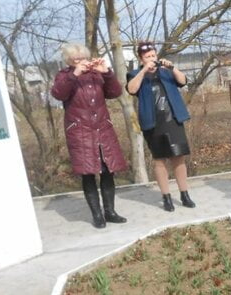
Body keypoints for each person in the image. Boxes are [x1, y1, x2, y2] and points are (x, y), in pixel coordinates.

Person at [51, 43, 128, 229]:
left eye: (82, 58)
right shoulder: (64, 75)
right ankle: (97, 215)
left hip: (103, 129)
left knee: (108, 170)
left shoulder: (96, 75)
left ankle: (110, 211)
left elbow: (115, 92)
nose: (80, 62)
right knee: (88, 173)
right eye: (75, 59)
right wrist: (74, 74)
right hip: (80, 132)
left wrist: (107, 72)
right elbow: (58, 94)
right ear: (69, 61)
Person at [126, 41, 195, 212]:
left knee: (178, 158)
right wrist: (143, 71)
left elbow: (184, 81)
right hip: (152, 123)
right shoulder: (135, 74)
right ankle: (166, 197)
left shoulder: (166, 71)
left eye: (153, 55)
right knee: (159, 160)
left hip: (173, 119)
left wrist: (172, 68)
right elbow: (132, 89)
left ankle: (184, 194)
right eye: (147, 57)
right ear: (141, 59)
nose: (152, 59)